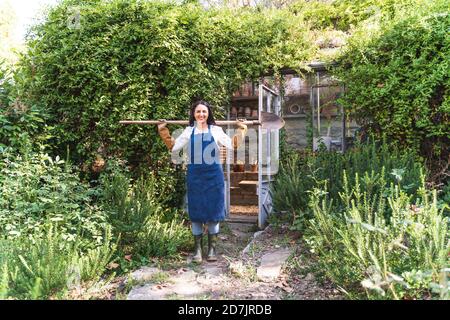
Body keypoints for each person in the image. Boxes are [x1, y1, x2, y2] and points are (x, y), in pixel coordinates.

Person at [157, 100, 247, 262]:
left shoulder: (216, 130)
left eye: (204, 112)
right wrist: (163, 130)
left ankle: (212, 250)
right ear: (193, 114)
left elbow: (232, 145)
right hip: (195, 176)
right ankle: (197, 250)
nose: (201, 114)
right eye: (198, 111)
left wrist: (242, 128)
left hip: (214, 176)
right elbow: (174, 147)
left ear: (208, 114)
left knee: (214, 213)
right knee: (196, 213)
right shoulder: (188, 131)